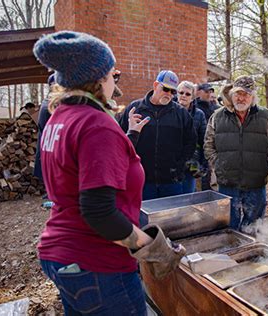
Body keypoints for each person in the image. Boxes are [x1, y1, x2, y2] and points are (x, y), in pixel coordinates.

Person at [33, 30, 185, 315]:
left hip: (63, 254)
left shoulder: (61, 117)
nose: (116, 85)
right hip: (97, 263)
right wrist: (151, 246)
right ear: (99, 76)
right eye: (113, 75)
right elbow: (99, 212)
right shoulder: (96, 124)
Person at [204, 76, 268, 232]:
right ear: (231, 94)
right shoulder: (217, 116)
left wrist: (266, 165)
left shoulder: (265, 116)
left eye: (246, 94)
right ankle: (232, 255)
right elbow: (208, 145)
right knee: (229, 227)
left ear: (253, 96)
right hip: (227, 184)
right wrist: (219, 165)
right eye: (238, 93)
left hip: (256, 184)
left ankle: (251, 254)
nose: (241, 98)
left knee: (254, 227)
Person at [119, 70, 197, 200]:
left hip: (171, 182)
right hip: (141, 180)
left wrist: (179, 167)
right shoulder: (135, 109)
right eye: (166, 89)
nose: (169, 94)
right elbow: (120, 139)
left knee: (171, 219)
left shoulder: (181, 114)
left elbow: (190, 143)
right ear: (155, 85)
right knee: (143, 219)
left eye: (173, 91)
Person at [177, 80, 207, 193]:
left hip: (190, 164)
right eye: (181, 92)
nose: (184, 96)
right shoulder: (169, 111)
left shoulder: (199, 114)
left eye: (188, 94)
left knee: (187, 199)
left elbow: (204, 140)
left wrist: (204, 164)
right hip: (170, 165)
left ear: (193, 97)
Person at [195, 83, 219, 191]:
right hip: (198, 146)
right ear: (199, 92)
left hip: (213, 146)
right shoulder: (194, 107)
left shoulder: (215, 107)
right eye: (206, 91)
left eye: (210, 91)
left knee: (211, 175)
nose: (209, 94)